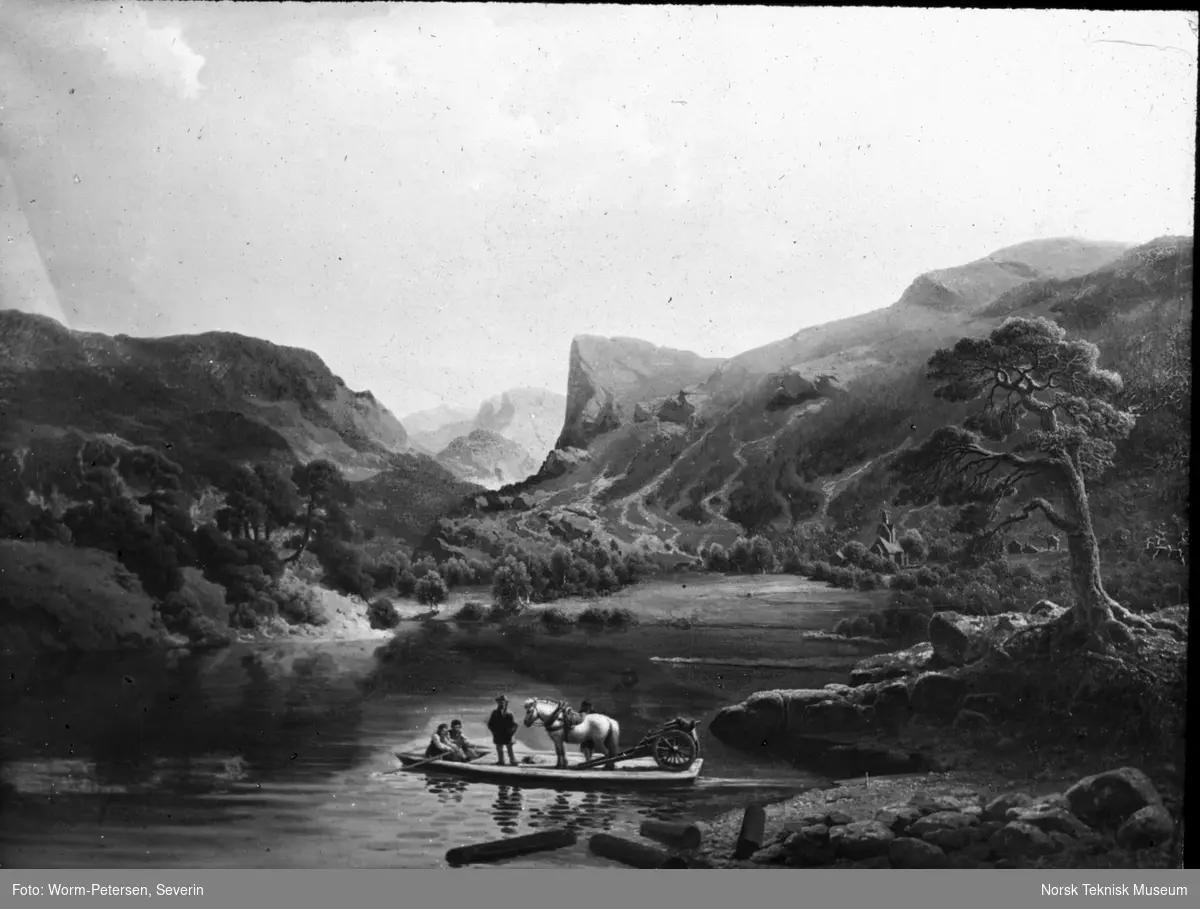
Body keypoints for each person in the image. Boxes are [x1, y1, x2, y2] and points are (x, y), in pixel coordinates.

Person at [487, 695, 519, 766]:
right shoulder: (494, 713)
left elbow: (515, 725)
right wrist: (494, 731)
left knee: (509, 748)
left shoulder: (509, 713)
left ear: (506, 703)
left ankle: (512, 761)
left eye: (503, 702)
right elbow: (490, 724)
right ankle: (501, 761)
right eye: (500, 702)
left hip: (507, 734)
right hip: (498, 734)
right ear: (498, 703)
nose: (501, 704)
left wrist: (511, 733)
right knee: (499, 748)